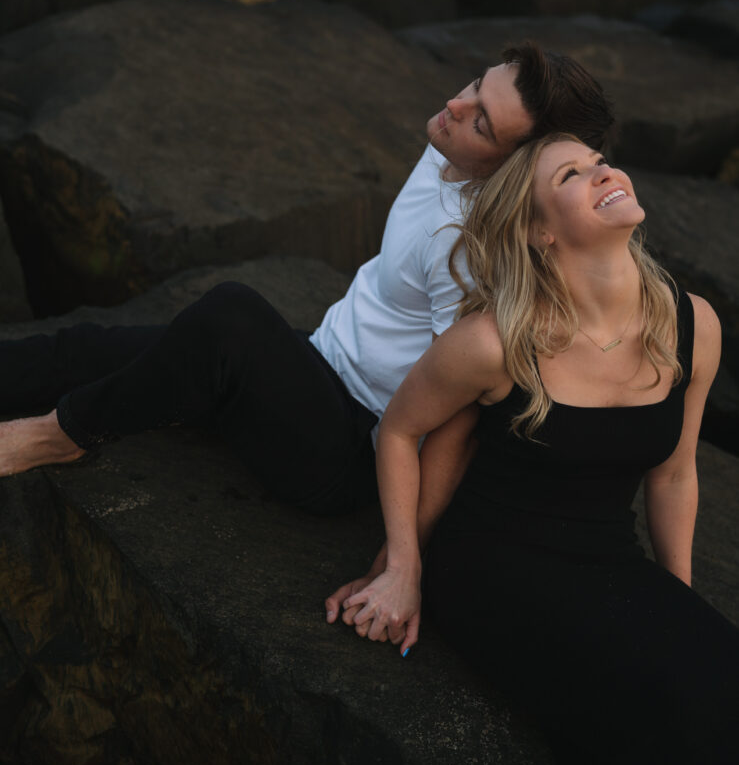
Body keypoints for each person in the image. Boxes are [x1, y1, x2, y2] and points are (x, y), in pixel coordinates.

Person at [0, 44, 613, 521]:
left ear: (515, 171)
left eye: (482, 123)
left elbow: (460, 412)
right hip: (318, 360)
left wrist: (404, 555)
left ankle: (61, 436)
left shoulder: (472, 251)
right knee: (85, 347)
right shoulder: (449, 146)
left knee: (228, 316)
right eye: (476, 86)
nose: (457, 106)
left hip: (344, 447)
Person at [336, 132, 739, 765]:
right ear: (539, 232)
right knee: (664, 713)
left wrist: (678, 607)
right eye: (572, 176)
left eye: (600, 161)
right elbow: (402, 431)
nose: (602, 172)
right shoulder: (494, 341)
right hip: (494, 568)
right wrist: (402, 567)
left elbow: (672, 474)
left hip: (608, 559)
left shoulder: (691, 324)